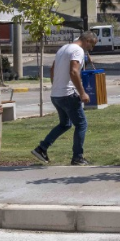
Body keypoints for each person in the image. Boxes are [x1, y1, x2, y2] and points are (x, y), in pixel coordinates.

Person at [31, 30, 98, 165]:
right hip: (68, 95)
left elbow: (52, 70)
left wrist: (56, 86)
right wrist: (82, 93)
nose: (91, 49)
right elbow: (73, 71)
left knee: (65, 124)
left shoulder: (63, 49)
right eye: (92, 45)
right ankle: (77, 157)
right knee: (81, 124)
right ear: (87, 41)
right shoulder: (78, 50)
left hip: (56, 95)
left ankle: (42, 148)